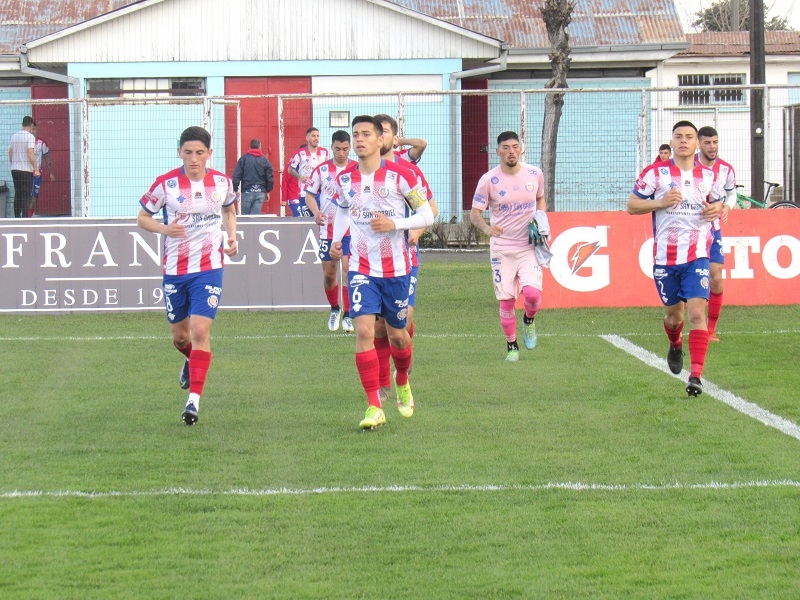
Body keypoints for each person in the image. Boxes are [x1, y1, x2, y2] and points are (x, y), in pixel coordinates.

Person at [329, 115, 434, 430]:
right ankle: (374, 406)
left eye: (365, 134)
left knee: (398, 336)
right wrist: (336, 239)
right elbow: (343, 211)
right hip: (361, 267)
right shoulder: (345, 179)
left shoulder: (401, 176)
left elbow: (426, 213)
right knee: (363, 332)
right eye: (355, 134)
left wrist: (396, 224)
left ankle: (402, 379)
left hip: (397, 269)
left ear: (379, 140)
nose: (359, 140)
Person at [137, 126, 238, 425]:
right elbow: (142, 218)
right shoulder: (166, 185)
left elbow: (230, 210)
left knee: (199, 330)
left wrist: (232, 237)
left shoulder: (222, 182)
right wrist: (166, 229)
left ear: (209, 153)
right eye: (188, 152)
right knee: (180, 336)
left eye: (199, 153)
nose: (194, 159)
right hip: (175, 270)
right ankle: (189, 359)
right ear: (179, 152)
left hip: (209, 268)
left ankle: (193, 401)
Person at [627, 120, 722, 397]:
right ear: (672, 141)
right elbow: (632, 206)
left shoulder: (709, 176)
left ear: (696, 143)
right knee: (673, 316)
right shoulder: (656, 174)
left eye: (689, 137)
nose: (684, 141)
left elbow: (718, 202)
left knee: (695, 313)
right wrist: (660, 202)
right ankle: (675, 341)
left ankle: (696, 376)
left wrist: (715, 209)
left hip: (697, 256)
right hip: (665, 258)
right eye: (679, 136)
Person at [374, 114, 437, 402]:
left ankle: (403, 365)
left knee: (400, 323)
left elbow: (431, 209)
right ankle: (383, 383)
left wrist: (417, 230)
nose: (380, 137)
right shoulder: (362, 173)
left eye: (385, 132)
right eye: (378, 132)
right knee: (376, 326)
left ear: (391, 136)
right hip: (372, 259)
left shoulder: (407, 171)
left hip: (405, 256)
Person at [469, 131, 547, 363]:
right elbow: (475, 214)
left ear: (520, 149)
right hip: (502, 248)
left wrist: (540, 217)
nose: (511, 151)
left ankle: (529, 321)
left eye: (515, 146)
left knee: (532, 295)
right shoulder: (488, 180)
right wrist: (486, 228)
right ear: (498, 151)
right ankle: (512, 346)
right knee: (506, 301)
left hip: (528, 245)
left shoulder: (535, 174)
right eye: (506, 147)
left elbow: (541, 198)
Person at [303, 130, 356, 333]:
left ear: (349, 148)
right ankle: (335, 308)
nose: (341, 153)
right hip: (327, 230)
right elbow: (309, 194)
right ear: (331, 148)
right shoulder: (321, 170)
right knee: (329, 275)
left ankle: (348, 315)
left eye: (344, 149)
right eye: (337, 149)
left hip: (351, 229)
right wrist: (316, 212)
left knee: (348, 270)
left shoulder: (356, 169)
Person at [697, 126, 737, 343]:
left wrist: (728, 206)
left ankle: (710, 330)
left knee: (716, 277)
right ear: (699, 144)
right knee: (691, 279)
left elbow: (732, 192)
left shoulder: (726, 169)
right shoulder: (689, 165)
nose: (712, 147)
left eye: (715, 142)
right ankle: (691, 321)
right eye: (707, 143)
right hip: (690, 228)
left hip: (713, 229)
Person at [287, 128, 329, 217]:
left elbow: (328, 169)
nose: (316, 138)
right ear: (307, 138)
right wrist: (300, 177)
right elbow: (290, 169)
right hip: (304, 193)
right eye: (313, 136)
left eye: (318, 136)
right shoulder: (300, 153)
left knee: (321, 219)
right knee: (307, 221)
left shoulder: (324, 152)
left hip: (321, 193)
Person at [232, 138, 274, 215]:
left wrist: (235, 189)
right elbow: (269, 177)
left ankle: (245, 227)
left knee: (245, 216)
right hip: (260, 191)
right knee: (256, 217)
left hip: (247, 191)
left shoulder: (243, 159)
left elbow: (236, 175)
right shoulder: (265, 161)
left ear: (250, 147)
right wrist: (268, 191)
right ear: (260, 147)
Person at [8, 116, 38, 218]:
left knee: (18, 194)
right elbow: (30, 153)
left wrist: (13, 164)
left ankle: (17, 217)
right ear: (31, 125)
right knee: (26, 195)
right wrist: (36, 168)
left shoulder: (14, 136)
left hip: (15, 169)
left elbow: (10, 153)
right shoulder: (30, 137)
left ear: (22, 124)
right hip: (26, 169)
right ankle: (25, 218)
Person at [29, 124, 56, 217]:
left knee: (34, 196)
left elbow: (47, 159)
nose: (32, 131)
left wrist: (51, 173)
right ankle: (24, 217)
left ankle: (29, 217)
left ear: (37, 130)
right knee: (26, 195)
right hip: (26, 172)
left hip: (37, 173)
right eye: (30, 129)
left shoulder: (41, 143)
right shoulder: (25, 143)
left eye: (34, 129)